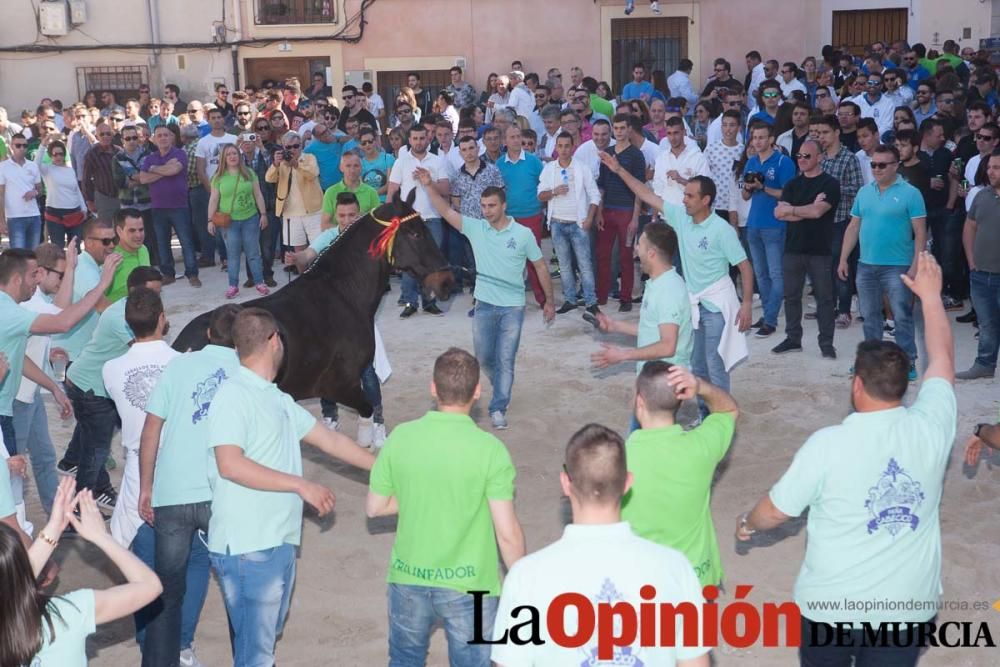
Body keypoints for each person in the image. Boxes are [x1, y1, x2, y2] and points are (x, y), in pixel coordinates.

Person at [737, 251, 955, 667]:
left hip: (830, 612)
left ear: (856, 384)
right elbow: (942, 359)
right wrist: (930, 297)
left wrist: (747, 523)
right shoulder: (933, 428)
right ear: (904, 387)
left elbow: (776, 512)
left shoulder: (827, 444)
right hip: (904, 613)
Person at [205, 307, 374, 666]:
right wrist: (301, 485)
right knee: (256, 655)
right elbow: (229, 464)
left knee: (261, 645)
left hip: (275, 542)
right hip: (249, 546)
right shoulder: (233, 395)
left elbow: (330, 441)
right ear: (273, 341)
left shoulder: (277, 399)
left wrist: (388, 469)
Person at [491, 423, 708, 666]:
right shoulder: (676, 567)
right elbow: (694, 662)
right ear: (627, 483)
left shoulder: (525, 576)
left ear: (565, 483)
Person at [366, 347, 526, 666]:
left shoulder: (400, 438)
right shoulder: (491, 450)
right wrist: (523, 580)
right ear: (478, 392)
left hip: (408, 578)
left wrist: (417, 496)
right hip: (470, 586)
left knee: (404, 659)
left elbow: (375, 508)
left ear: (433, 388)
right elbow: (507, 534)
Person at [599, 154, 753, 412]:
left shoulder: (721, 229)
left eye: (690, 196)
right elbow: (648, 195)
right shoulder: (681, 218)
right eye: (685, 194)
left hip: (715, 305)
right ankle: (706, 416)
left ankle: (724, 417)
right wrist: (618, 170)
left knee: (716, 365)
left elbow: (745, 267)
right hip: (693, 304)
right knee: (699, 366)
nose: (684, 199)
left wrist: (746, 303)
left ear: (706, 200)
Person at [138, 304, 242, 667]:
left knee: (167, 592)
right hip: (224, 494)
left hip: (173, 494)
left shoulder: (179, 365)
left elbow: (151, 429)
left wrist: (146, 487)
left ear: (209, 334)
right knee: (237, 589)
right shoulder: (247, 372)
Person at [415, 172, 555, 429]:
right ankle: (501, 383)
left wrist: (550, 301)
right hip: (484, 306)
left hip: (513, 306)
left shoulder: (523, 234)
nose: (486, 211)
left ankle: (499, 405)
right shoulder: (476, 228)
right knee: (485, 359)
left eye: (491, 206)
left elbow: (541, 267)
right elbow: (445, 211)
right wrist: (428, 186)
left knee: (506, 359)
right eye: (483, 206)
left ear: (504, 206)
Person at [0, 482, 162, 666]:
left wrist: (53, 529)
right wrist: (102, 537)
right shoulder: (69, 614)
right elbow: (150, 586)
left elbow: (14, 580)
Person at [621, 362, 737, 587]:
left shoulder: (616, 459)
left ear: (640, 402)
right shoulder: (702, 446)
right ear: (681, 400)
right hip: (695, 578)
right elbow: (729, 410)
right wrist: (701, 386)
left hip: (639, 584)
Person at [65, 266, 162, 509]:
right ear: (131, 291)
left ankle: (72, 464)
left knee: (94, 437)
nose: (156, 300)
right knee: (97, 450)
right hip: (91, 388)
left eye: (159, 294)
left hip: (95, 383)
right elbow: (147, 350)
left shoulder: (135, 310)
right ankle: (79, 507)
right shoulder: (122, 318)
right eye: (151, 293)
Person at [838, 144, 926, 380]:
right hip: (866, 264)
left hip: (898, 265)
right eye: (873, 164)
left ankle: (908, 362)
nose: (876, 169)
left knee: (901, 315)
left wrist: (916, 265)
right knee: (869, 315)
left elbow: (920, 232)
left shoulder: (911, 193)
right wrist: (843, 258)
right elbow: (853, 226)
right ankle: (870, 362)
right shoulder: (864, 192)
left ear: (896, 165)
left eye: (882, 165)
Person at [11, 243, 71, 517]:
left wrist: (48, 356)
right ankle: (14, 524)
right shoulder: (30, 303)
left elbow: (27, 350)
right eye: (58, 275)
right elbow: (63, 319)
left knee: (44, 457)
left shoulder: (36, 301)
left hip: (30, 395)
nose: (61, 281)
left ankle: (56, 516)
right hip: (17, 400)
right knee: (15, 466)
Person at [773, 139, 841, 358]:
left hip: (819, 250)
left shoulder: (830, 184)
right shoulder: (792, 184)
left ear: (820, 157)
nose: (801, 160)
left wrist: (792, 210)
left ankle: (827, 343)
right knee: (791, 296)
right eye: (799, 156)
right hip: (793, 249)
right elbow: (779, 214)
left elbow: (818, 213)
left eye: (807, 156)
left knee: (825, 299)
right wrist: (807, 208)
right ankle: (793, 338)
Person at [387, 125, 449, 317]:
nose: (419, 142)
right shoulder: (401, 162)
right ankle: (409, 302)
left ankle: (429, 302)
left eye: (422, 138)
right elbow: (392, 191)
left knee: (431, 262)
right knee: (409, 262)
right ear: (410, 140)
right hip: (408, 222)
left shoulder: (438, 161)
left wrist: (428, 181)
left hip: (432, 218)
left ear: (428, 139)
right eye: (415, 138)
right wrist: (391, 218)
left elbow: (446, 190)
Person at [537, 131, 601, 315]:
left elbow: (594, 194)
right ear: (556, 147)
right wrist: (554, 192)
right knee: (564, 265)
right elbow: (540, 194)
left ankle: (591, 301)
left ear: (572, 147)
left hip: (578, 223)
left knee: (585, 264)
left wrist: (589, 218)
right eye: (560, 146)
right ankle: (570, 299)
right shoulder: (549, 169)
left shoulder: (582, 167)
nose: (564, 150)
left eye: (567, 146)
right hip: (557, 222)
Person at [742, 121, 796, 338]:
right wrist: (749, 187)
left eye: (762, 137)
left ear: (771, 139)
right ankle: (767, 314)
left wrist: (763, 187)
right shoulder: (751, 161)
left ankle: (771, 319)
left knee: (775, 273)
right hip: (753, 223)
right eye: (754, 138)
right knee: (761, 274)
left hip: (775, 224)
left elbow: (788, 194)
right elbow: (745, 196)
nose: (757, 142)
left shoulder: (784, 162)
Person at [814, 114, 864, 329]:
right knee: (822, 267)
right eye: (819, 133)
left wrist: (831, 190)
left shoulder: (849, 158)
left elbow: (858, 188)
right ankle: (827, 307)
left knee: (840, 266)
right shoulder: (819, 158)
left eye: (825, 133)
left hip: (841, 219)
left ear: (837, 133)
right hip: (819, 220)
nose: (822, 137)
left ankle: (844, 310)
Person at [140, 124, 201, 288]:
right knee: (162, 242)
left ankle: (192, 274)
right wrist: (163, 169)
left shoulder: (180, 153)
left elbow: (174, 171)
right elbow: (143, 179)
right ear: (154, 139)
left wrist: (154, 170)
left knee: (186, 241)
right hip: (158, 207)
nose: (163, 138)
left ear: (172, 137)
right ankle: (168, 274)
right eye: (159, 135)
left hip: (179, 206)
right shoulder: (150, 158)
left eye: (166, 135)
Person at [596, 114, 646, 311]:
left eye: (622, 128)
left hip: (627, 210)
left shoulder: (636, 155)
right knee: (603, 255)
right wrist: (599, 212)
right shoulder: (607, 153)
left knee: (626, 256)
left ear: (628, 129)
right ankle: (601, 296)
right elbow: (601, 185)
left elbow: (639, 188)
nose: (618, 132)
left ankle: (626, 297)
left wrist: (635, 218)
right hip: (608, 209)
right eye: (615, 128)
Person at [958, 149, 1000, 380]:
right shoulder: (982, 196)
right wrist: (971, 260)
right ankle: (984, 364)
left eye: (997, 168)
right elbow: (969, 227)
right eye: (990, 167)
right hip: (981, 273)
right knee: (986, 324)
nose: (991, 172)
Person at [208, 143, 269, 299]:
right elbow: (213, 199)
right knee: (233, 254)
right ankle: (233, 285)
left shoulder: (249, 173)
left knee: (253, 253)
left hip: (250, 218)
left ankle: (259, 282)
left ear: (239, 155)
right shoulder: (218, 177)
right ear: (224, 158)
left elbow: (258, 194)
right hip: (230, 222)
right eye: (228, 154)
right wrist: (210, 219)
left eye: (234, 153)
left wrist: (263, 214)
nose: (232, 157)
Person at [266, 130, 324, 259]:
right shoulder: (281, 163)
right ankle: (304, 277)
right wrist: (275, 164)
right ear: (283, 148)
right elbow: (269, 179)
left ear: (301, 146)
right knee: (298, 253)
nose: (293, 150)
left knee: (318, 249)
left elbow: (312, 174)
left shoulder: (310, 158)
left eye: (296, 146)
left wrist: (296, 165)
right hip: (290, 213)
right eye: (288, 147)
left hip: (313, 212)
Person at [33, 138, 87, 248]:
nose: (58, 157)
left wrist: (84, 209)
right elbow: (35, 165)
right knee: (58, 248)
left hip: (75, 212)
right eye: (55, 154)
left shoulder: (70, 170)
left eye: (61, 154)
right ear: (50, 156)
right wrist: (43, 145)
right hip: (55, 213)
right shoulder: (47, 169)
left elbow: (76, 190)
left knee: (76, 248)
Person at [0, 133, 43, 249]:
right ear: (11, 146)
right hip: (15, 218)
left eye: (25, 145)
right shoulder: (3, 167)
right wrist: (2, 221)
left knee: (33, 256)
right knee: (18, 258)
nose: (22, 148)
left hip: (34, 216)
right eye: (18, 145)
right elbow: (1, 195)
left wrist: (34, 193)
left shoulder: (32, 166)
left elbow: (40, 189)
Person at [106, 208, 151, 303]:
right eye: (132, 230)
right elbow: (99, 298)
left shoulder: (143, 249)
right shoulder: (111, 258)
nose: (138, 235)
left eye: (141, 230)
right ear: (119, 231)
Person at [321, 151, 380, 217]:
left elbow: (378, 220)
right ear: (341, 168)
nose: (352, 170)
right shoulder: (330, 192)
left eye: (356, 166)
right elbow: (325, 224)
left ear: (361, 168)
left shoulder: (371, 192)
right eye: (348, 166)